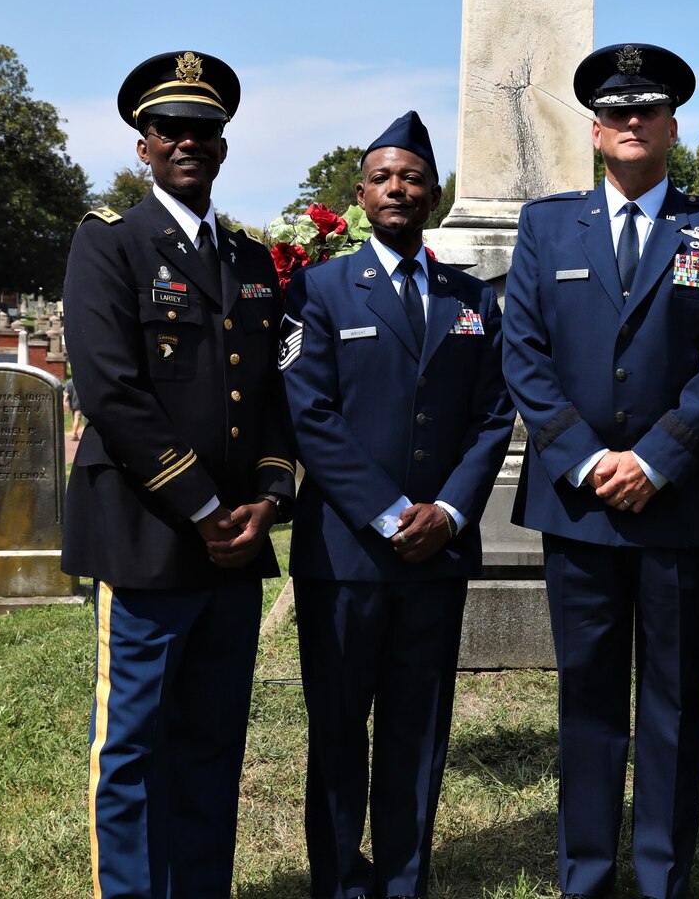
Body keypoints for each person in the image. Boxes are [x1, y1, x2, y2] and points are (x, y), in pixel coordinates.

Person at [501, 43, 699, 899]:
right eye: (615, 112)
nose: (630, 123)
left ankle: (659, 878)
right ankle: (585, 875)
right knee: (585, 697)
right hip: (579, 508)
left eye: (645, 109)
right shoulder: (546, 227)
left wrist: (656, 459)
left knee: (673, 700)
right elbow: (526, 356)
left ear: (671, 125)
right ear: (595, 128)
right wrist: (585, 459)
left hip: (679, 503)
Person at [62, 50, 295, 897]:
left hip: (235, 541)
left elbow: (272, 395)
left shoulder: (253, 261)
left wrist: (267, 499)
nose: (187, 142)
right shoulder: (110, 244)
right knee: (132, 743)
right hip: (150, 534)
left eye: (204, 129)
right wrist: (202, 505)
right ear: (143, 144)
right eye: (170, 129)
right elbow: (110, 390)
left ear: (224, 146)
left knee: (211, 740)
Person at [279, 111, 515, 899]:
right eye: (382, 177)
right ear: (359, 194)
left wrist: (448, 510)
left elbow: (491, 413)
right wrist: (387, 512)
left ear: (433, 190)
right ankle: (342, 880)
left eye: (412, 177)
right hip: (345, 556)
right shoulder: (317, 288)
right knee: (340, 731)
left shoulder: (470, 296)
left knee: (419, 733)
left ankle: (406, 879)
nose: (398, 189)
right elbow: (309, 413)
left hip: (436, 557)